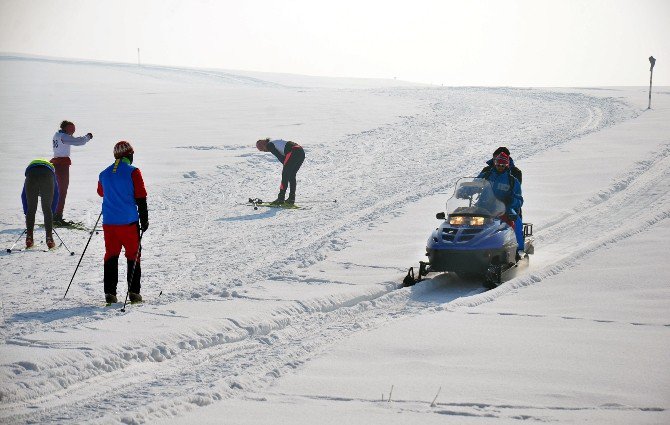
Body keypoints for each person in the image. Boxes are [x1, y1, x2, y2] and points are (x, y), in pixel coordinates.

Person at [97, 141, 149, 304]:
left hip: (109, 223)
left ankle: (110, 293)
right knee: (133, 255)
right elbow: (141, 197)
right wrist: (144, 220)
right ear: (129, 155)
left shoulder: (104, 173)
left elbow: (101, 192)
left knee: (111, 255)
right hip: (128, 223)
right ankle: (134, 292)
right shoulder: (134, 172)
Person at [477, 152, 524, 251]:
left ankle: (519, 250)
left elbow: (519, 199)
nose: (500, 167)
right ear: (495, 164)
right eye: (498, 165)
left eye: (503, 165)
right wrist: (464, 191)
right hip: (483, 207)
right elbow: (474, 184)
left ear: (507, 165)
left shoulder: (512, 181)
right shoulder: (486, 175)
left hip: (504, 209)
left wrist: (511, 200)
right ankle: (465, 245)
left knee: (516, 222)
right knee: (465, 221)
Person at [51, 120, 93, 225]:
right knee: (62, 191)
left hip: (55, 163)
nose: (72, 132)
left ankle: (53, 215)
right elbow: (79, 141)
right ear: (66, 128)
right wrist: (88, 137)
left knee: (56, 190)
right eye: (71, 130)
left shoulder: (57, 135)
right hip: (61, 165)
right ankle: (57, 217)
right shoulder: (63, 137)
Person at [21, 159, 60, 249]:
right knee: (46, 208)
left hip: (31, 174)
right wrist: (52, 212)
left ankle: (29, 238)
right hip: (47, 174)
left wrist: (26, 212)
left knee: (31, 208)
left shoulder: (30, 171)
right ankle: (49, 238)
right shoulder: (52, 172)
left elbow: (23, 196)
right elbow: (56, 194)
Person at [255, 138, 305, 204]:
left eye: (261, 148)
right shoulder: (274, 142)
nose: (263, 151)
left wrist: (286, 167)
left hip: (294, 151)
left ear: (264, 144)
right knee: (291, 176)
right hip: (301, 152)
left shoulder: (269, 145)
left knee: (285, 175)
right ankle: (291, 198)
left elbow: (280, 157)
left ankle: (281, 198)